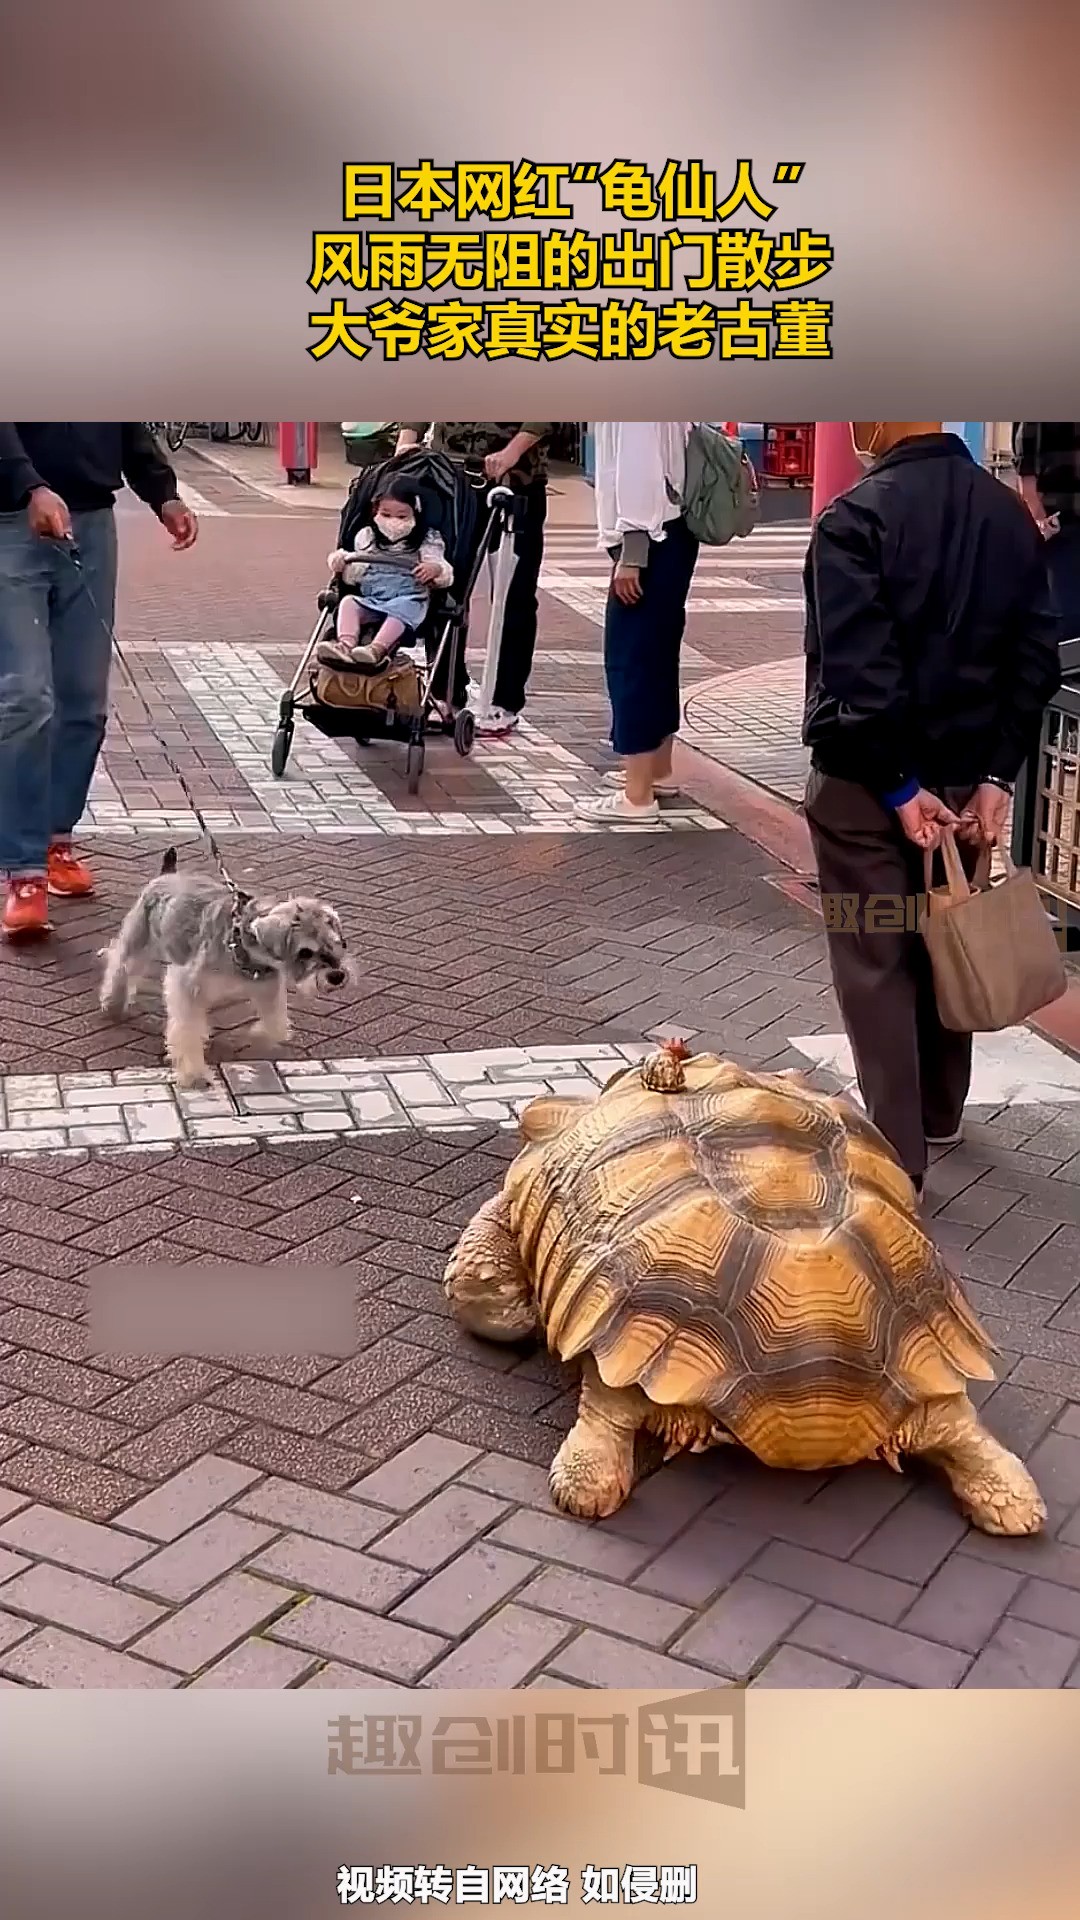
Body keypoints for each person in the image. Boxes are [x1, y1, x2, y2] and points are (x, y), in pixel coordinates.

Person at [802, 421, 1062, 1196]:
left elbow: (857, 676)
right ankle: (942, 1108)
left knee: (874, 954)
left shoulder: (853, 520)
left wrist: (895, 785)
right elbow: (1034, 657)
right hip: (965, 787)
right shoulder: (1007, 514)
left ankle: (897, 1153)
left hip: (867, 789)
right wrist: (996, 777)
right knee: (947, 931)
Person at [0, 423, 198, 939]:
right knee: (24, 698)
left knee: (84, 701)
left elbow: (127, 423)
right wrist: (30, 485)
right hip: (11, 520)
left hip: (91, 520)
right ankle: (23, 871)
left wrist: (164, 494)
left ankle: (55, 839)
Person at [576, 421, 699, 825]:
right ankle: (656, 771)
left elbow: (637, 469)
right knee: (658, 656)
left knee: (631, 660)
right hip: (674, 533)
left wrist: (632, 553)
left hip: (651, 541)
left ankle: (637, 795)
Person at [393, 421, 552, 731]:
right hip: (450, 479)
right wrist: (406, 441)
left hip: (517, 482)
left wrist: (512, 450)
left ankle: (504, 700)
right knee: (445, 585)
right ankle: (445, 691)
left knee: (513, 596)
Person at [316, 475, 453, 673]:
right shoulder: (367, 536)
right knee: (348, 603)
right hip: (373, 598)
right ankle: (345, 645)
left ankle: (376, 649)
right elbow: (356, 572)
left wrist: (435, 569)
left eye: (402, 516)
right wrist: (342, 563)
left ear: (416, 513)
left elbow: (443, 568)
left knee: (401, 610)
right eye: (386, 515)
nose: (392, 522)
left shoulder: (427, 540)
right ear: (375, 512)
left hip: (409, 598)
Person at [1013, 423, 1080, 639]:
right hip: (1060, 521)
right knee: (1066, 618)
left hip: (1060, 517)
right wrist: (1036, 514)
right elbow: (1026, 462)